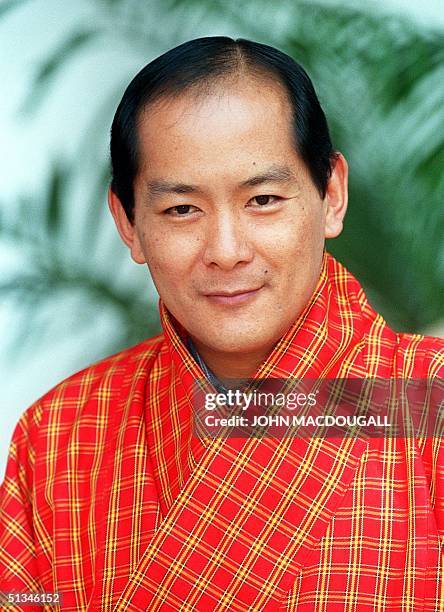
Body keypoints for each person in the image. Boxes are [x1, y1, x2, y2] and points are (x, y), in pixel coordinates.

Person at [0, 36, 442, 611]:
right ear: (127, 222)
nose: (226, 251)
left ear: (331, 195)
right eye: (182, 209)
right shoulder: (58, 434)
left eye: (262, 199)